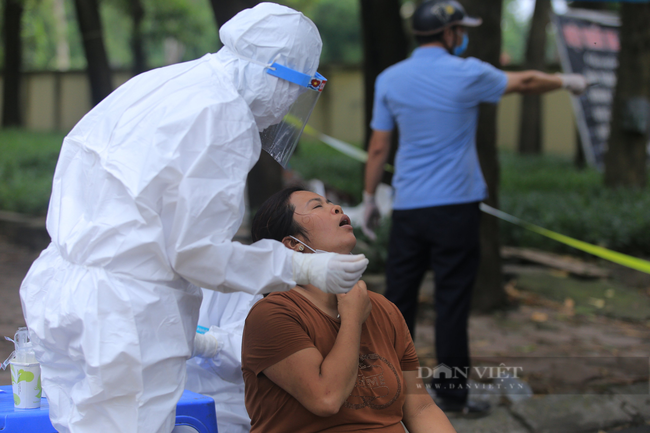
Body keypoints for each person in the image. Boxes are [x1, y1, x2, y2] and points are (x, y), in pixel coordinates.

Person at [19, 4, 368, 432]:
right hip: (125, 313)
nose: (289, 106)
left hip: (61, 290)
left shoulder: (165, 82)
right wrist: (299, 265)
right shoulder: (223, 116)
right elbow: (197, 254)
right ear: (279, 77)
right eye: (299, 88)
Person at [361, 0, 587, 417]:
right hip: (456, 209)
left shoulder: (390, 78)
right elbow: (527, 81)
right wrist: (567, 80)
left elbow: (378, 145)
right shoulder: (469, 73)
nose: (462, 35)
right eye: (459, 29)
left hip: (409, 208)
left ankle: (386, 394)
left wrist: (370, 198)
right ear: (448, 34)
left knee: (398, 303)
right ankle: (450, 396)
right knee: (451, 303)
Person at [241, 186, 457, 433]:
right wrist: (352, 319)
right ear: (293, 245)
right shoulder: (272, 315)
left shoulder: (384, 309)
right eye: (317, 206)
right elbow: (326, 398)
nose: (337, 207)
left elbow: (420, 409)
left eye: (331, 202)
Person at [185, 289, 260, 433]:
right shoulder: (147, 277)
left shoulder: (239, 289)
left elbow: (246, 350)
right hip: (154, 400)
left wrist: (206, 345)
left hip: (219, 407)